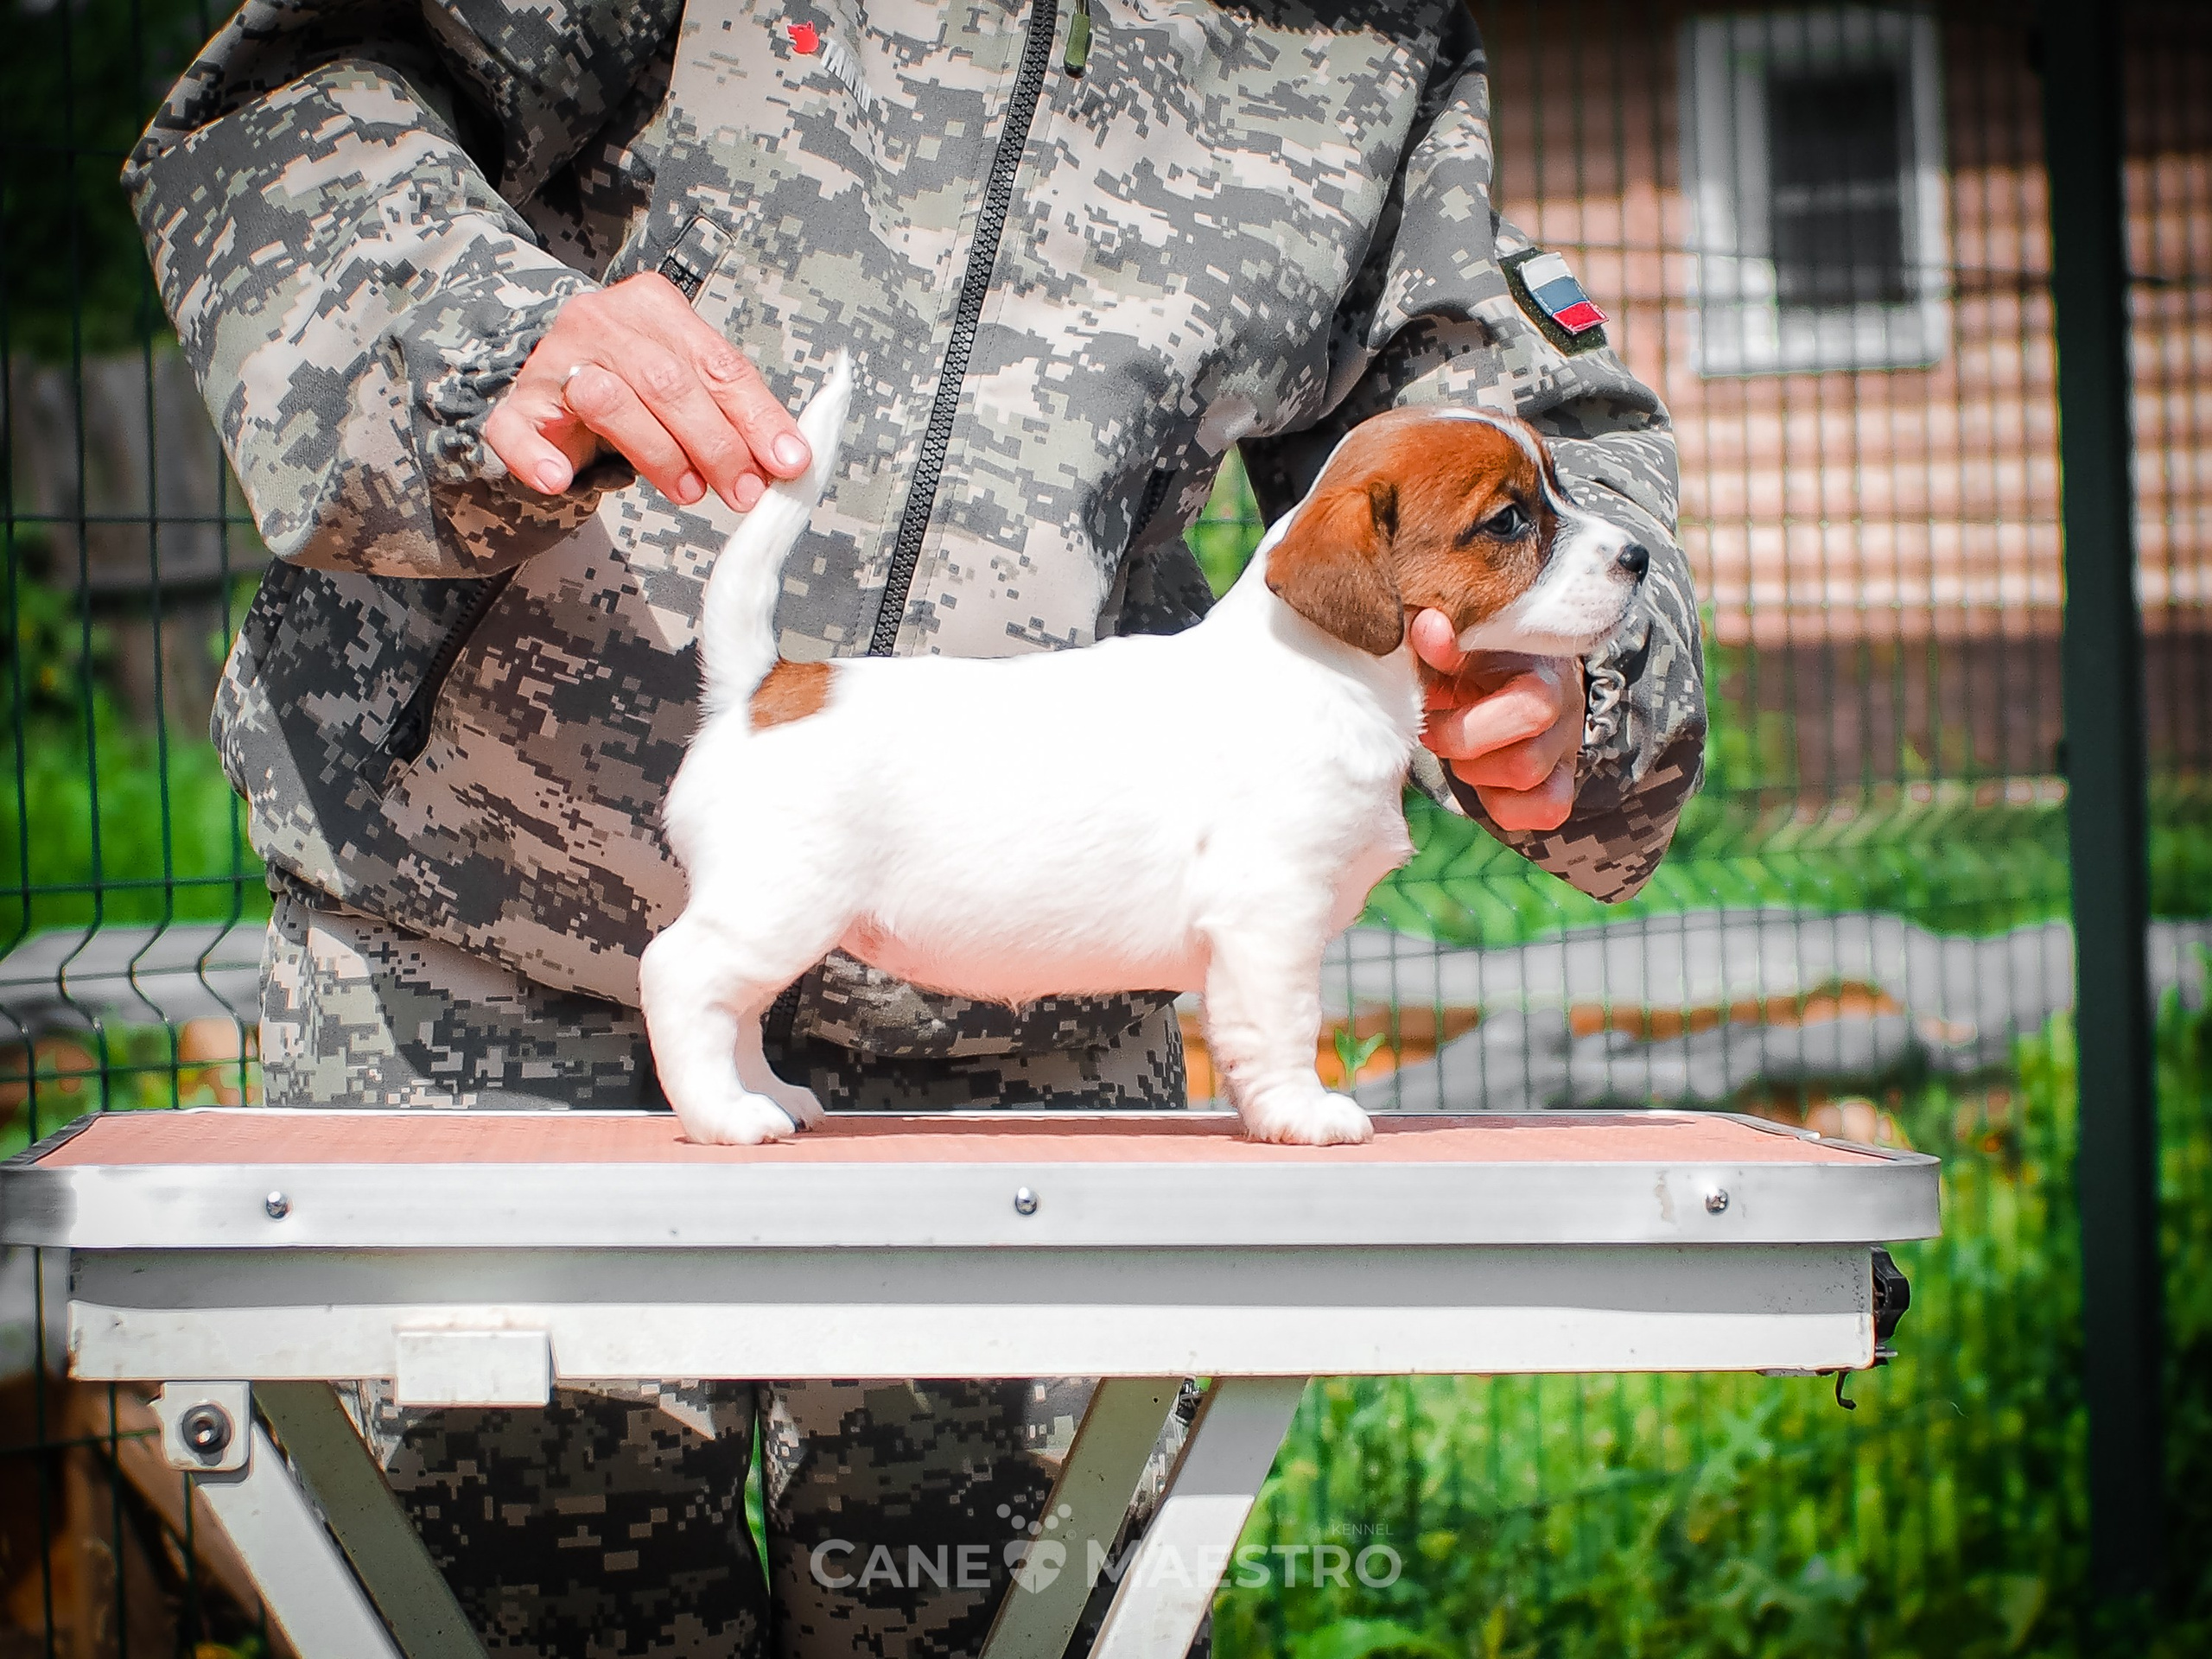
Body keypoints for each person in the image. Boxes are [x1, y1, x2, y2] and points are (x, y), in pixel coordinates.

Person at [127, 1, 1705, 1653]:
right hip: (481, 986)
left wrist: (1587, 695)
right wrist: (474, 339)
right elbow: (289, 93)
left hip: (1046, 1063)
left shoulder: (1365, 29)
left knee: (997, 1623)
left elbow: (1511, 430)